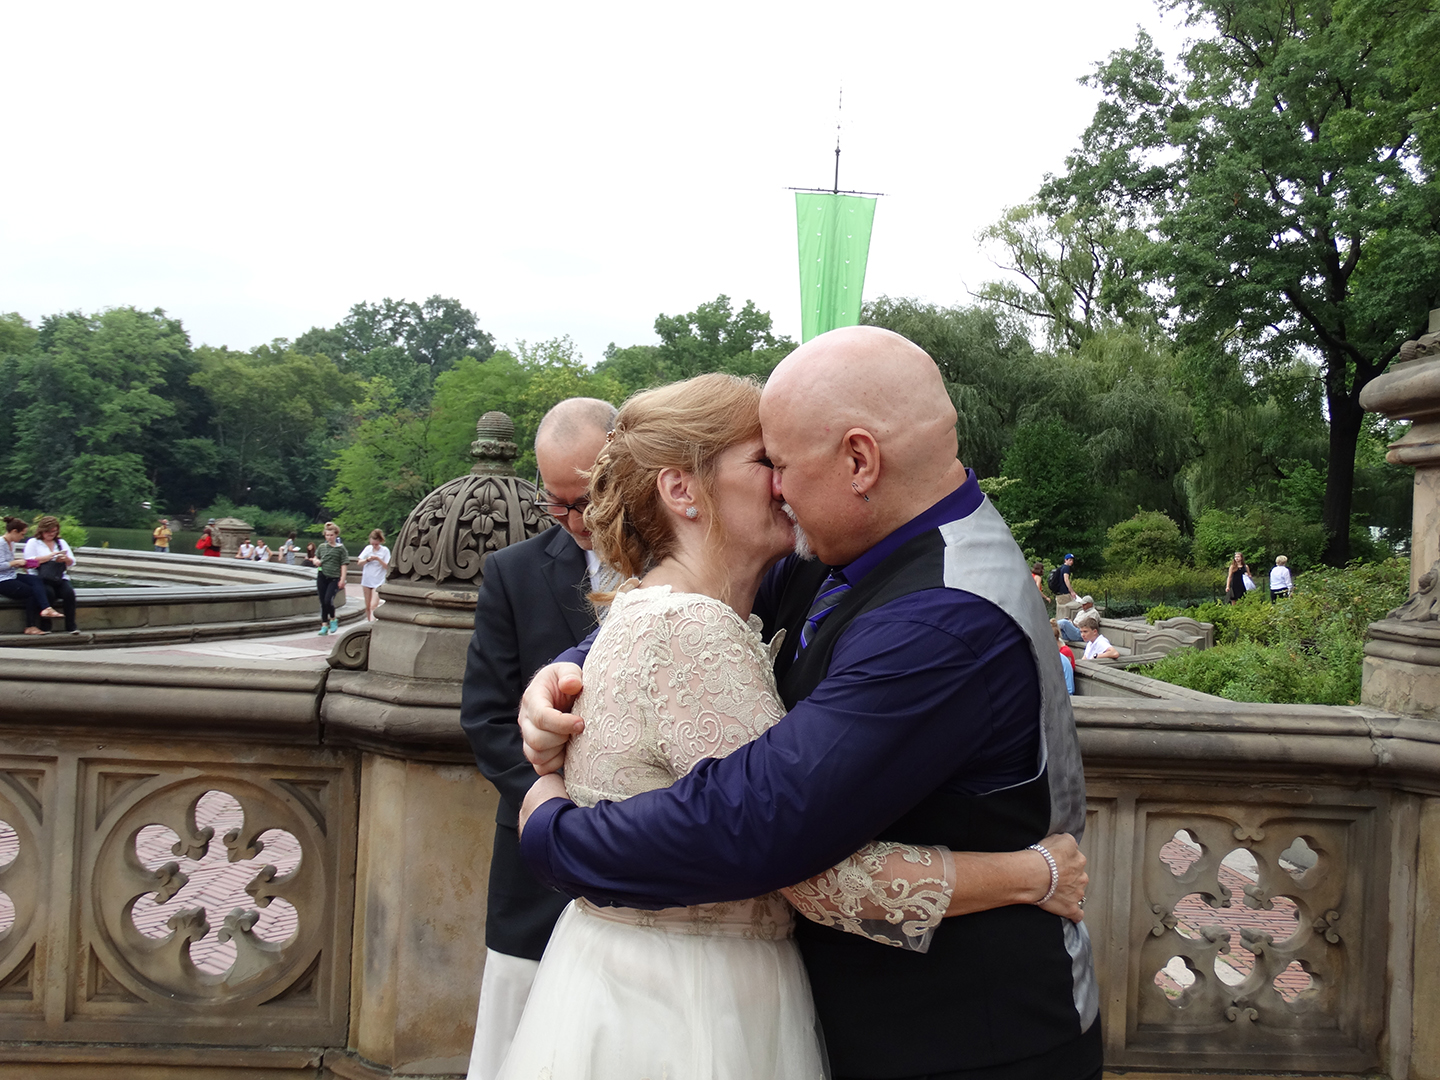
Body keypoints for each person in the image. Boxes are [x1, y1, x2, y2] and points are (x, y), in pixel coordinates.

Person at [517, 327, 1099, 1079]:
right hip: (793, 1015)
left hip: (962, 1042)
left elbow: (758, 823)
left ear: (860, 461)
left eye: (781, 464)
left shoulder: (943, 620)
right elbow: (675, 619)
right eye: (766, 464)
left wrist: (553, 835)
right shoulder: (851, 554)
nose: (779, 488)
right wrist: (565, 674)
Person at [458, 397, 618, 1080]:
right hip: (534, 864)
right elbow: (486, 718)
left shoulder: (691, 563)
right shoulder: (512, 572)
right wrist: (551, 805)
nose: (573, 523)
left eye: (583, 501)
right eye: (556, 506)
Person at [0, 516, 61, 634]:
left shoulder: (11, 543)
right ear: (14, 531)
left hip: (11, 575)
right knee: (30, 592)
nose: (23, 537)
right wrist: (15, 562)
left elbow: (9, 563)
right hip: (2, 580)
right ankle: (30, 626)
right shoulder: (1, 543)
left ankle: (46, 608)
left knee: (35, 580)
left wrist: (26, 564)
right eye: (22, 534)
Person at [25, 516, 79, 634]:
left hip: (58, 576)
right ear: (42, 531)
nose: (51, 534)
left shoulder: (61, 542)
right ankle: (45, 625)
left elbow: (72, 562)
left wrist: (65, 559)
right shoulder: (33, 543)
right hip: (41, 577)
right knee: (49, 593)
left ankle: (71, 625)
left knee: (69, 593)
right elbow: (28, 563)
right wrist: (47, 558)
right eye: (48, 532)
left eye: (54, 532)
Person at [314, 522, 348, 635]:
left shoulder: (340, 549)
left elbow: (344, 563)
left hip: (334, 577)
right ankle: (324, 625)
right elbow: (316, 557)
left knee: (328, 600)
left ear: (336, 535)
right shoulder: (322, 547)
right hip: (322, 576)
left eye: (331, 535)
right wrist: (316, 561)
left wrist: (342, 579)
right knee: (322, 601)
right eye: (327, 535)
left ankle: (333, 618)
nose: (329, 537)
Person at [357, 529, 391, 622]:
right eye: (373, 544)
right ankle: (369, 623)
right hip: (367, 579)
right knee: (367, 606)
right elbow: (359, 562)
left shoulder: (385, 551)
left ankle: (372, 623)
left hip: (378, 580)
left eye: (376, 544)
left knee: (373, 605)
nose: (374, 546)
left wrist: (378, 559)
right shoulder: (368, 549)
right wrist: (367, 560)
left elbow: (387, 566)